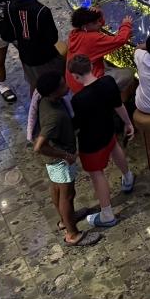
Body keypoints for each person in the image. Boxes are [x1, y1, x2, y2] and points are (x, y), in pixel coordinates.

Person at [27, 68, 100, 247]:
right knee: (67, 196)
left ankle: (64, 219)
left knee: (58, 189)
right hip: (61, 160)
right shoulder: (54, 117)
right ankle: (72, 234)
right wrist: (65, 155)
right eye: (62, 85)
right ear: (53, 93)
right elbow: (39, 147)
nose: (66, 86)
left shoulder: (45, 100)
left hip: (55, 161)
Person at [67, 53, 133, 227]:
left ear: (75, 76)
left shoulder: (78, 99)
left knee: (97, 176)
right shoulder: (108, 82)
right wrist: (128, 123)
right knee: (115, 148)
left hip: (91, 142)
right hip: (108, 129)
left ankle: (107, 214)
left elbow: (77, 125)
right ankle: (128, 177)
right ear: (91, 66)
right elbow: (118, 105)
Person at [5, 0, 61, 95]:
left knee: (34, 85)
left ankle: (34, 106)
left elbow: (8, 35)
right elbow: (53, 38)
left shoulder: (9, 7)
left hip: (26, 56)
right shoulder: (42, 11)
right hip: (45, 57)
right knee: (54, 88)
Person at [65, 5, 134, 93]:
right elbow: (120, 40)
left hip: (74, 81)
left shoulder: (74, 33)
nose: (100, 23)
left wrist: (99, 15)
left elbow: (97, 26)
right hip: (86, 88)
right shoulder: (92, 38)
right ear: (85, 26)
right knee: (129, 72)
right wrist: (126, 24)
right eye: (95, 22)